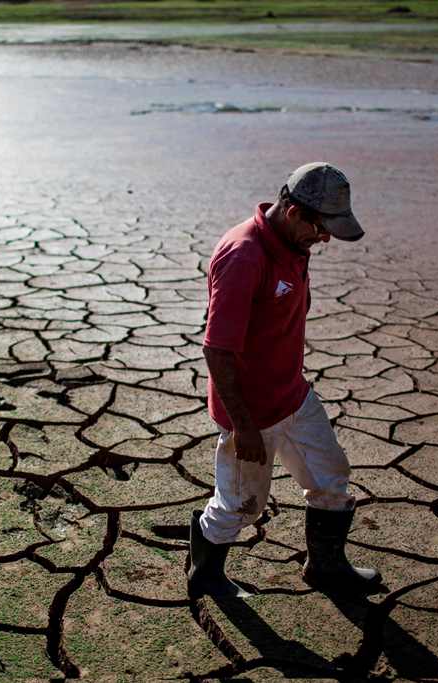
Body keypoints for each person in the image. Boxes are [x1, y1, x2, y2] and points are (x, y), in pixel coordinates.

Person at [187, 162, 381, 599]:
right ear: (294, 212)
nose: (326, 237)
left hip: (294, 398)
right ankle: (205, 574)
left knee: (331, 478)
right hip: (252, 414)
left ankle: (325, 568)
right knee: (240, 508)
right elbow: (217, 350)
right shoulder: (244, 257)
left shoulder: (293, 244)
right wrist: (243, 426)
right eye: (322, 227)